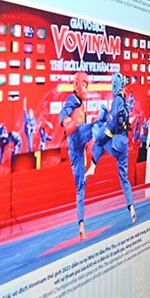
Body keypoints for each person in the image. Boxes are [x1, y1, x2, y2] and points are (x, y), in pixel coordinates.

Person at [89, 73, 137, 225]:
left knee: (98, 140)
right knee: (124, 178)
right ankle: (131, 206)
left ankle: (92, 166)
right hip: (124, 144)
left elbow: (113, 122)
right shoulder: (125, 101)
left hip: (116, 143)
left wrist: (104, 130)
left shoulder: (117, 100)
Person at [59, 72, 96, 240]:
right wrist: (66, 122)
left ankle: (81, 226)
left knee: (81, 187)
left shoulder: (82, 104)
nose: (86, 89)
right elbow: (63, 113)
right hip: (75, 138)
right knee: (96, 125)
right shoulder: (73, 99)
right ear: (77, 85)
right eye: (84, 85)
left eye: (87, 86)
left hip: (76, 150)